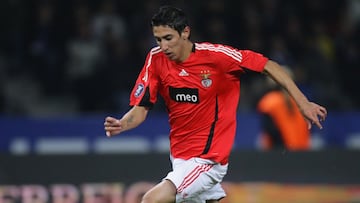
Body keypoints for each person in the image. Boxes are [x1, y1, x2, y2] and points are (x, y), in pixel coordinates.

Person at [104, 6, 327, 203]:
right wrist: (123, 124)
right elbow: (141, 108)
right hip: (179, 158)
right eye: (158, 39)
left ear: (185, 33)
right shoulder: (156, 59)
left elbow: (268, 65)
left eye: (168, 38)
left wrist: (303, 103)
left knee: (151, 199)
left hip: (208, 160)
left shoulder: (217, 57)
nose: (163, 46)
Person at [257, 66, 310, 151]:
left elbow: (270, 131)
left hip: (281, 153)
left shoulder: (269, 101)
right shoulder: (301, 102)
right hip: (301, 152)